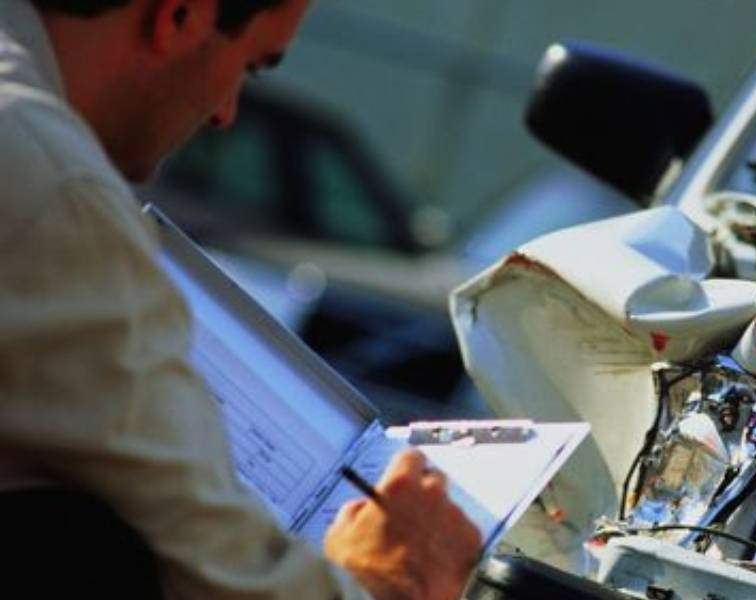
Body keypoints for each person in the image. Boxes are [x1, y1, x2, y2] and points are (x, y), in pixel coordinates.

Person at [0, 0, 482, 598]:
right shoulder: (54, 186)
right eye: (251, 66)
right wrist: (386, 578)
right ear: (179, 16)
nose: (227, 113)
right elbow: (221, 576)